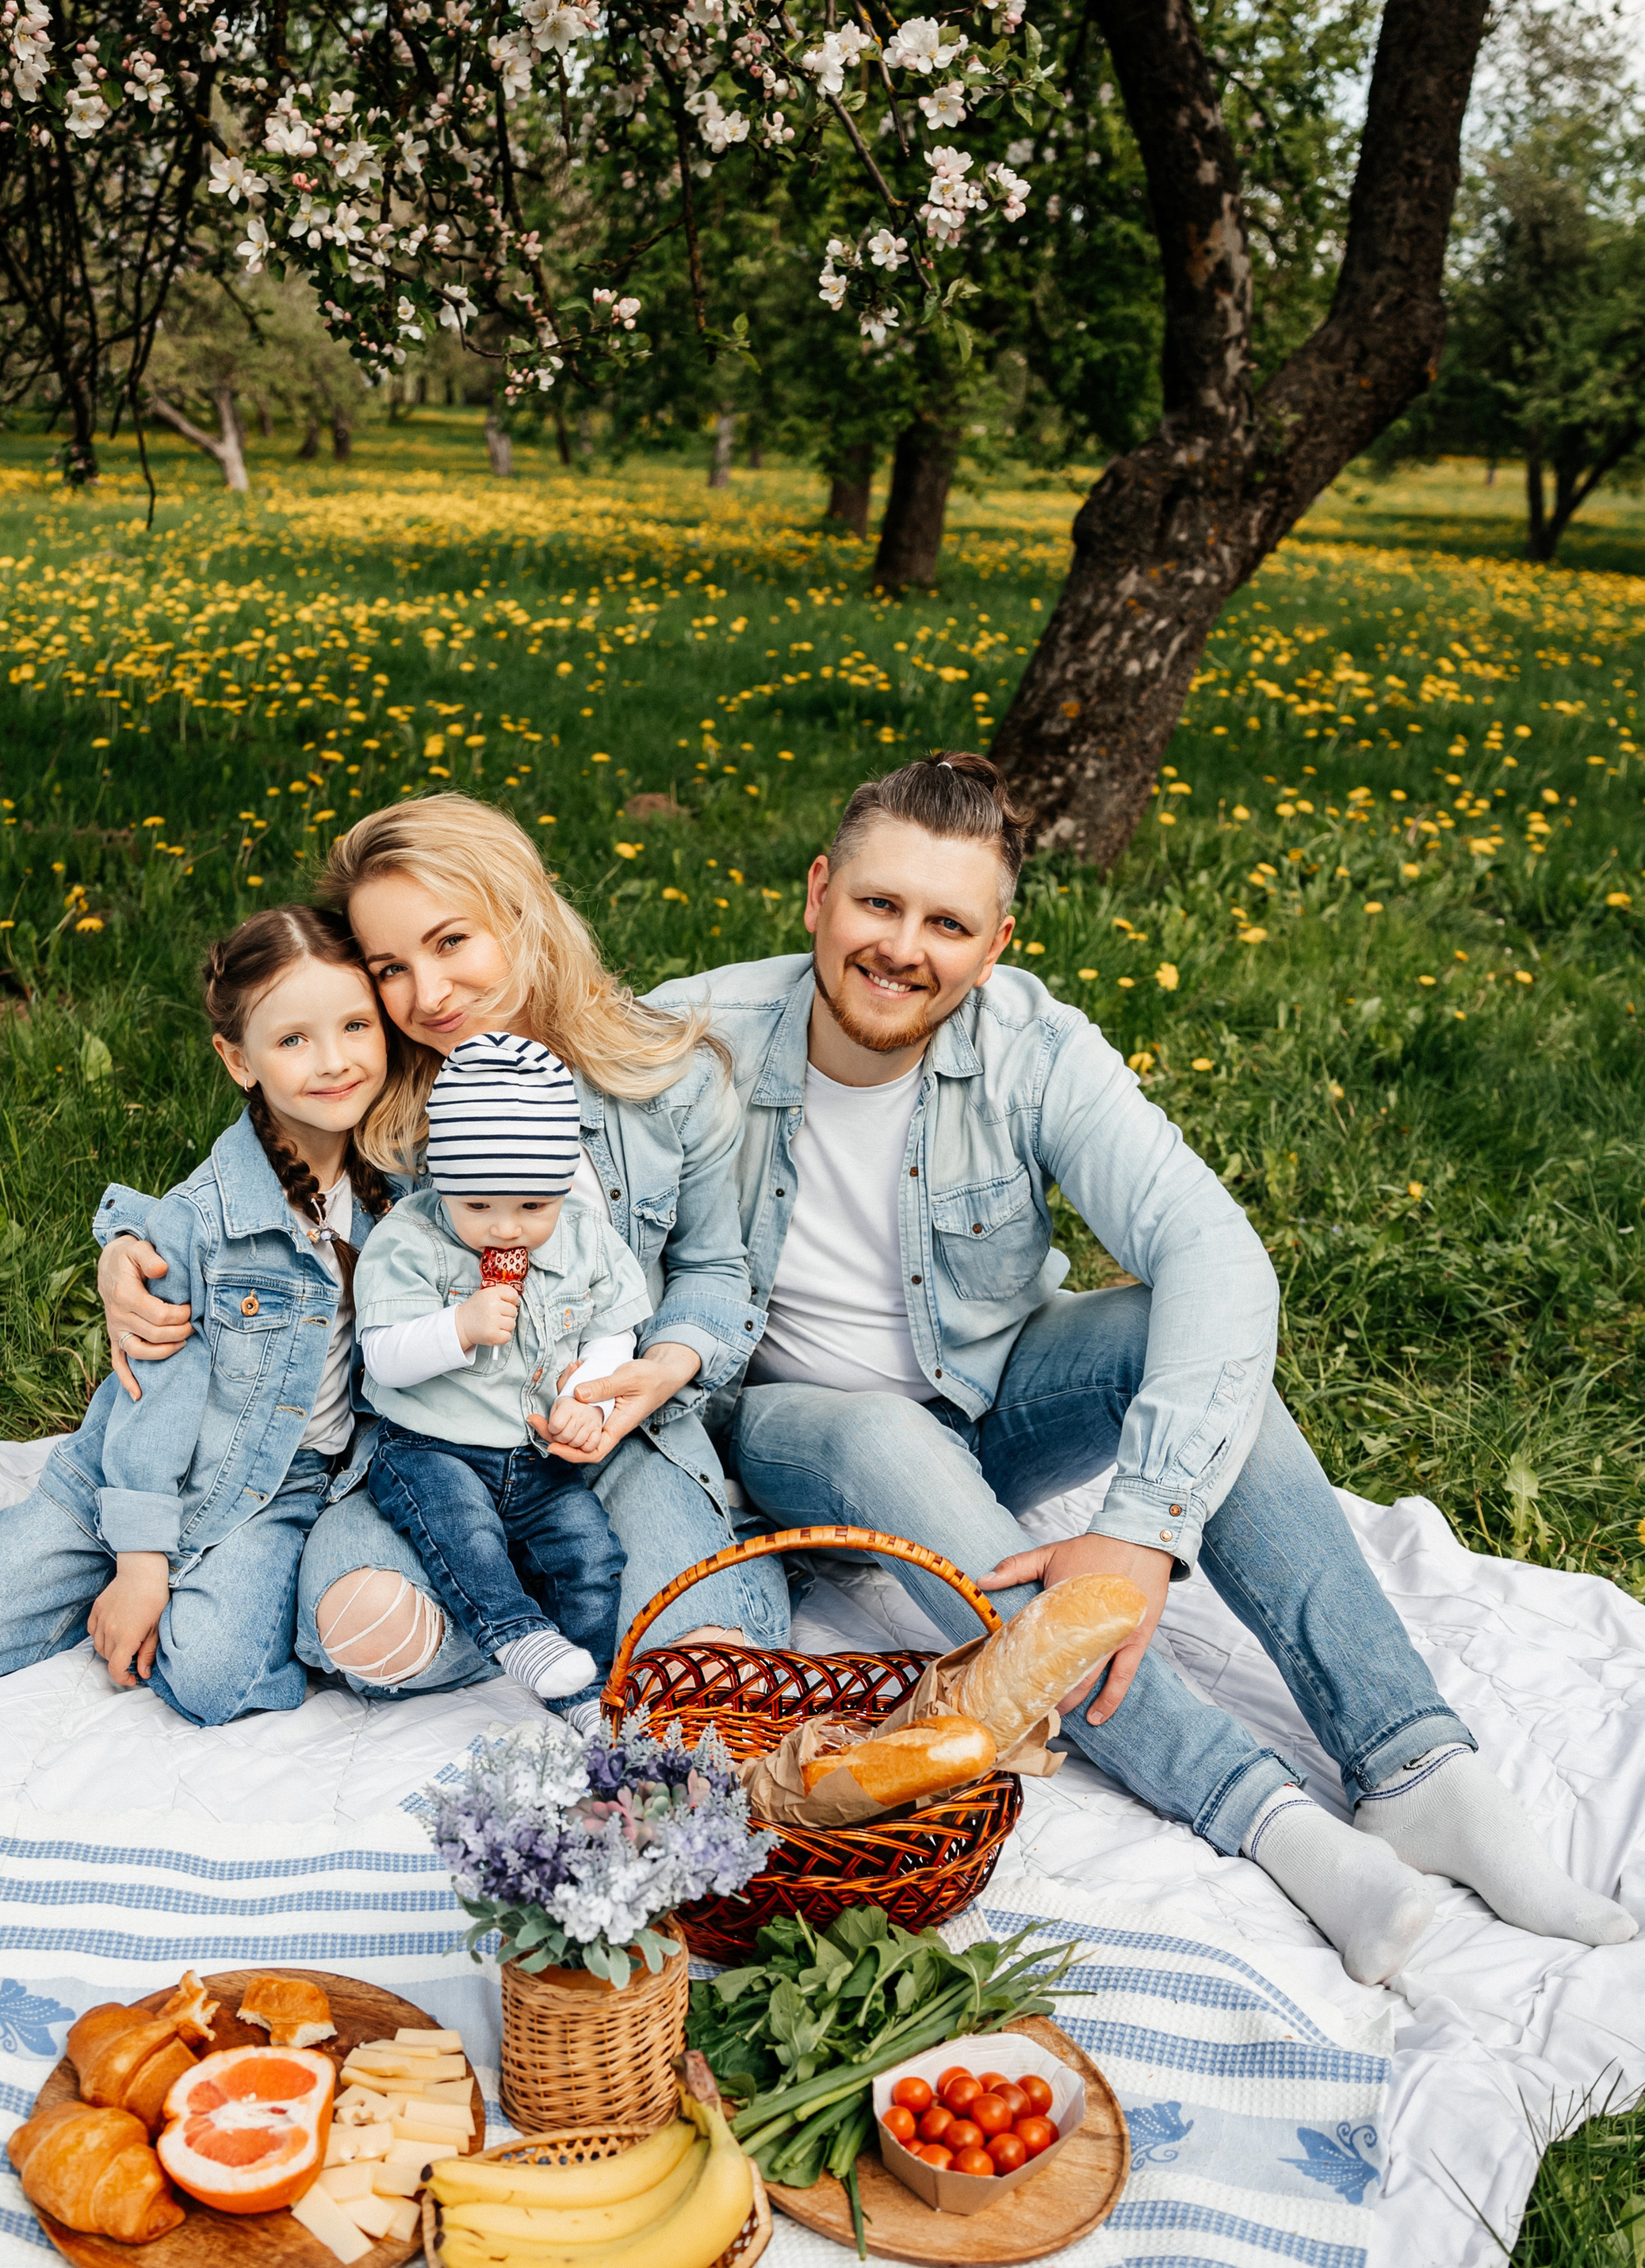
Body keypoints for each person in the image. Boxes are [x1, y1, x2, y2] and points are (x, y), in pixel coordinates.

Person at [641, 748, 1635, 1983]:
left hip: (986, 1397)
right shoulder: (690, 1038)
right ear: (818, 895)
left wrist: (1144, 1529)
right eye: (878, 904)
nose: (903, 948)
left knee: (1188, 1333)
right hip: (801, 1439)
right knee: (880, 1435)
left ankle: (1419, 1766)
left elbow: (1213, 1246)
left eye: (947, 923)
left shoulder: (1034, 1043)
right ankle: (1269, 1821)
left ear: (994, 944)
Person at [93, 795, 783, 1701]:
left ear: (524, 916)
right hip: (436, 1437)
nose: (427, 995)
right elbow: (260, 1175)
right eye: (389, 967)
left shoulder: (668, 1084)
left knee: (696, 1658)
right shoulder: (387, 1106)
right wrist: (128, 1242)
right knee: (361, 1623)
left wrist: (658, 1371)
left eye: (451, 942)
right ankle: (515, 1630)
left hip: (611, 1431)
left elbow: (713, 1269)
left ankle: (615, 1599)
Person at [0, 906, 399, 1724]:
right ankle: (81, 1573)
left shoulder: (403, 1198)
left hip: (279, 1488)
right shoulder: (199, 1220)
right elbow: (152, 1402)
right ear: (238, 1060)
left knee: (212, 1683)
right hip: (128, 1470)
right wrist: (142, 1559)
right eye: (292, 1040)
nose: (332, 1061)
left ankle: (231, 1589)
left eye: (354, 1026)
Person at [356, 1031, 653, 1730]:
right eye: (479, 1207)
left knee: (590, 1553)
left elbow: (615, 1329)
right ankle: (516, 1635)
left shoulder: (584, 1237)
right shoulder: (409, 1239)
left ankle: (587, 1694)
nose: (505, 1230)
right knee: (466, 1536)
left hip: (534, 1451)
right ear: (442, 1183)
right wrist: (457, 1327)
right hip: (431, 1447)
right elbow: (383, 1356)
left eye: (531, 1209)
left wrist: (591, 1395)